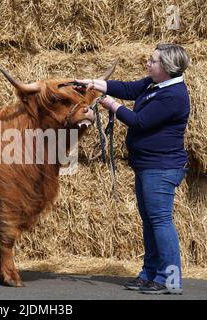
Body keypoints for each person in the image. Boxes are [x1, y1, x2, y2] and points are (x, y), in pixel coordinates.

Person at [76, 43, 190, 294]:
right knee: (150, 221)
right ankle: (149, 274)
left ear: (167, 67)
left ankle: (169, 280)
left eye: (153, 61)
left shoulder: (174, 95)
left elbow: (140, 122)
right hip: (147, 165)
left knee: (160, 221)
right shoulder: (154, 84)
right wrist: (92, 83)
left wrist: (113, 106)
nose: (148, 64)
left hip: (161, 167)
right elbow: (127, 88)